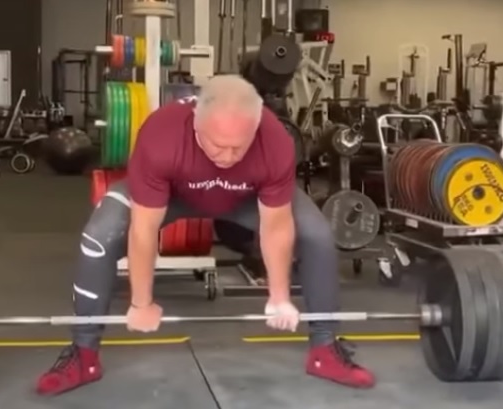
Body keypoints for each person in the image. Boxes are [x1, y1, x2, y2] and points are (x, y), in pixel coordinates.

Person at [35, 75, 375, 395]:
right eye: (217, 145)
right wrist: (141, 302)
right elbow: (144, 228)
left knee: (317, 234)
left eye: (237, 148)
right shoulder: (161, 135)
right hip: (173, 196)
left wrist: (279, 295)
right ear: (196, 122)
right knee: (100, 233)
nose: (226, 157)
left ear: (255, 130)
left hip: (244, 199)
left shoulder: (274, 142)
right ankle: (84, 355)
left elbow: (276, 225)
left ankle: (325, 349)